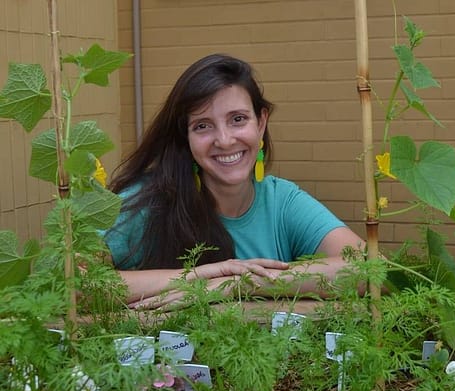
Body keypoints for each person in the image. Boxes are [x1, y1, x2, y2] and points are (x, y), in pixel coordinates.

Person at [102, 53, 364, 309]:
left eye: (237, 120)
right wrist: (197, 279)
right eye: (203, 125)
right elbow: (74, 285)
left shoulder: (282, 203)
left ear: (261, 123)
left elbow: (374, 270)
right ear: (186, 138)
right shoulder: (148, 202)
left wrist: (239, 284)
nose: (225, 140)